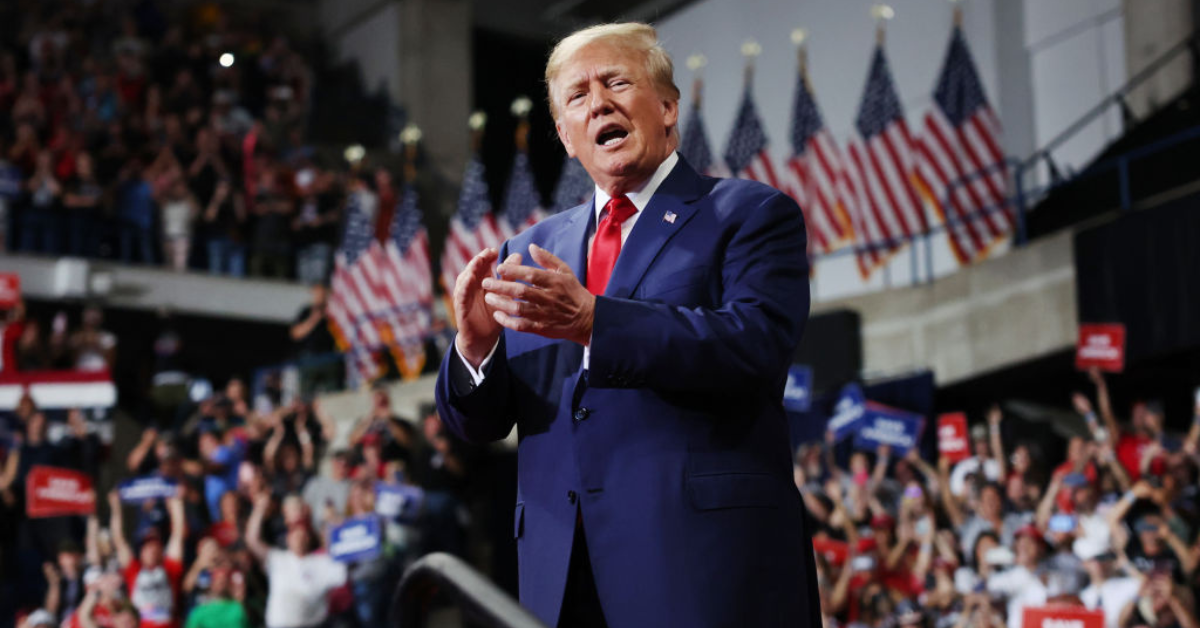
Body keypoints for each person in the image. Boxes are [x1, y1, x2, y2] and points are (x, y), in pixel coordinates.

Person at [435, 22, 816, 628]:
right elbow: (481, 425)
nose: (599, 104)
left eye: (616, 82)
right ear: (564, 136)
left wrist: (594, 321)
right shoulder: (528, 249)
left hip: (701, 568)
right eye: (578, 97)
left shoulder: (747, 215)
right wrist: (475, 349)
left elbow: (755, 347)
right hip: (561, 575)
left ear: (667, 108)